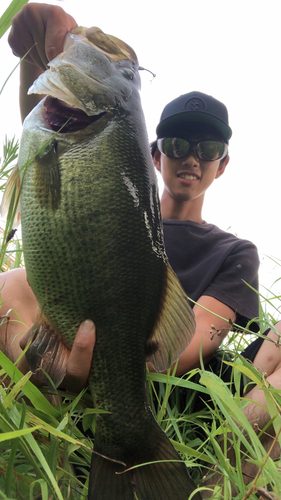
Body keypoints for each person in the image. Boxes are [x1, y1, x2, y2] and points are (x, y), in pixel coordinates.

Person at [2, 2, 281, 493]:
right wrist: (33, 55)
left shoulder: (235, 251)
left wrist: (115, 377)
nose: (192, 158)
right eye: (176, 144)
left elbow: (198, 336)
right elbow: (47, 136)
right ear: (153, 154)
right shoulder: (96, 163)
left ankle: (219, 478)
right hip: (68, 352)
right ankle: (49, 448)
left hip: (162, 392)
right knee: (8, 286)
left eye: (208, 149)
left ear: (223, 164)